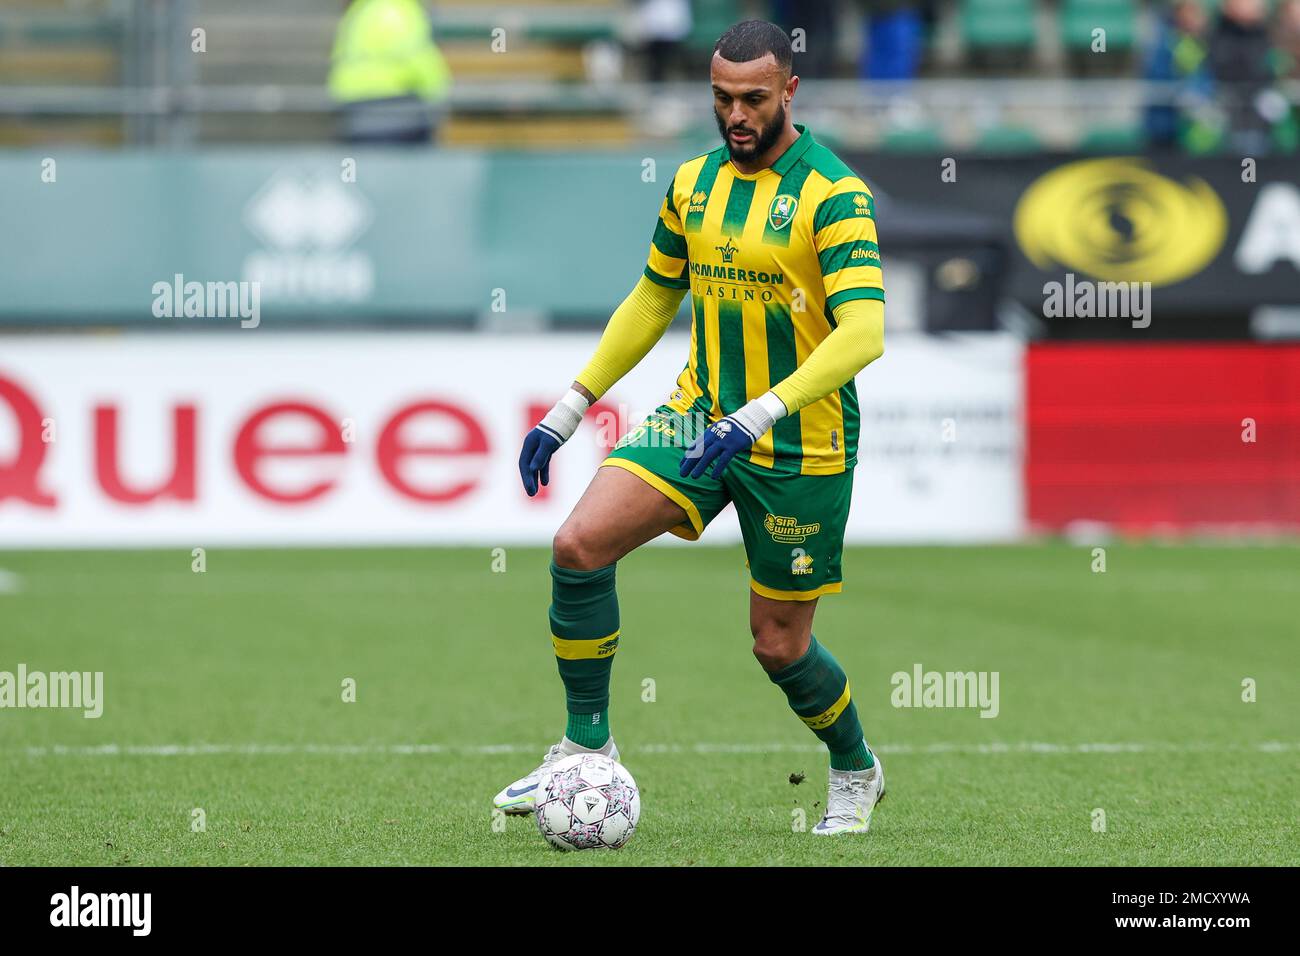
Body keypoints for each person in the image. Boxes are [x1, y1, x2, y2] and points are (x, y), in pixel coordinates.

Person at [494, 20, 888, 836]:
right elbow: (650, 300)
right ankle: (585, 749)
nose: (735, 115)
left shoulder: (834, 196)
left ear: (790, 92)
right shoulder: (691, 185)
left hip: (797, 444)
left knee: (778, 645)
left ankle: (854, 766)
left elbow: (864, 333)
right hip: (698, 420)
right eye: (720, 98)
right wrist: (570, 409)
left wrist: (762, 413)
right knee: (578, 546)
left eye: (751, 98)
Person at [328, 0, 451, 144]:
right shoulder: (398, 10)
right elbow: (418, 58)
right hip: (393, 105)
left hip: (353, 107)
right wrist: (438, 91)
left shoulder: (361, 10)